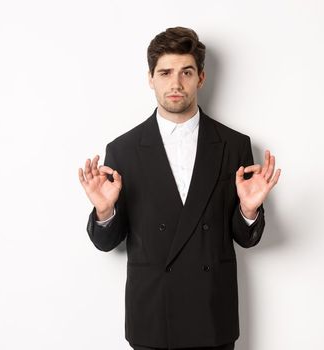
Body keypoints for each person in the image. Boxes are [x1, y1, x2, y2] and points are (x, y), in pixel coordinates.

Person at [77, 27, 281, 350]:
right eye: (165, 72)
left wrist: (248, 210)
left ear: (200, 78)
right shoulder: (123, 150)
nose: (175, 83)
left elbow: (245, 239)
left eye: (186, 72)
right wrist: (104, 211)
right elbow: (107, 243)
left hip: (212, 318)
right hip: (155, 320)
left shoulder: (234, 145)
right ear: (150, 78)